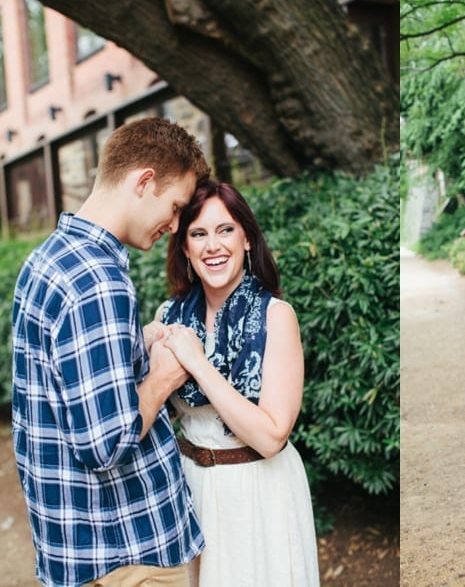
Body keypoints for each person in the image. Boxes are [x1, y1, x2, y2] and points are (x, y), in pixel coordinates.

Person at [11, 117, 209, 587]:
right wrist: (163, 376)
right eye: (176, 206)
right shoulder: (98, 280)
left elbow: (59, 381)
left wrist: (134, 343)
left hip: (75, 547)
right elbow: (106, 442)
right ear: (144, 182)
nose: (176, 225)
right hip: (127, 553)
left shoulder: (47, 260)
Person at [150, 180, 320, 587]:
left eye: (225, 229)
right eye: (198, 234)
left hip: (258, 490)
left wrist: (198, 363)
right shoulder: (170, 315)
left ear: (246, 238)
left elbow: (270, 436)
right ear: (185, 248)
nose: (213, 245)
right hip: (190, 487)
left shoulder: (277, 317)